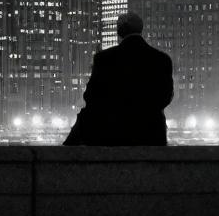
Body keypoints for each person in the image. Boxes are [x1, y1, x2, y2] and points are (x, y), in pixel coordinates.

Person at [64, 11, 174, 145]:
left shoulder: (104, 59)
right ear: (141, 28)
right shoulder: (162, 59)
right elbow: (166, 97)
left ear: (119, 31)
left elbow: (91, 96)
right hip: (151, 133)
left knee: (85, 116)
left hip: (113, 133)